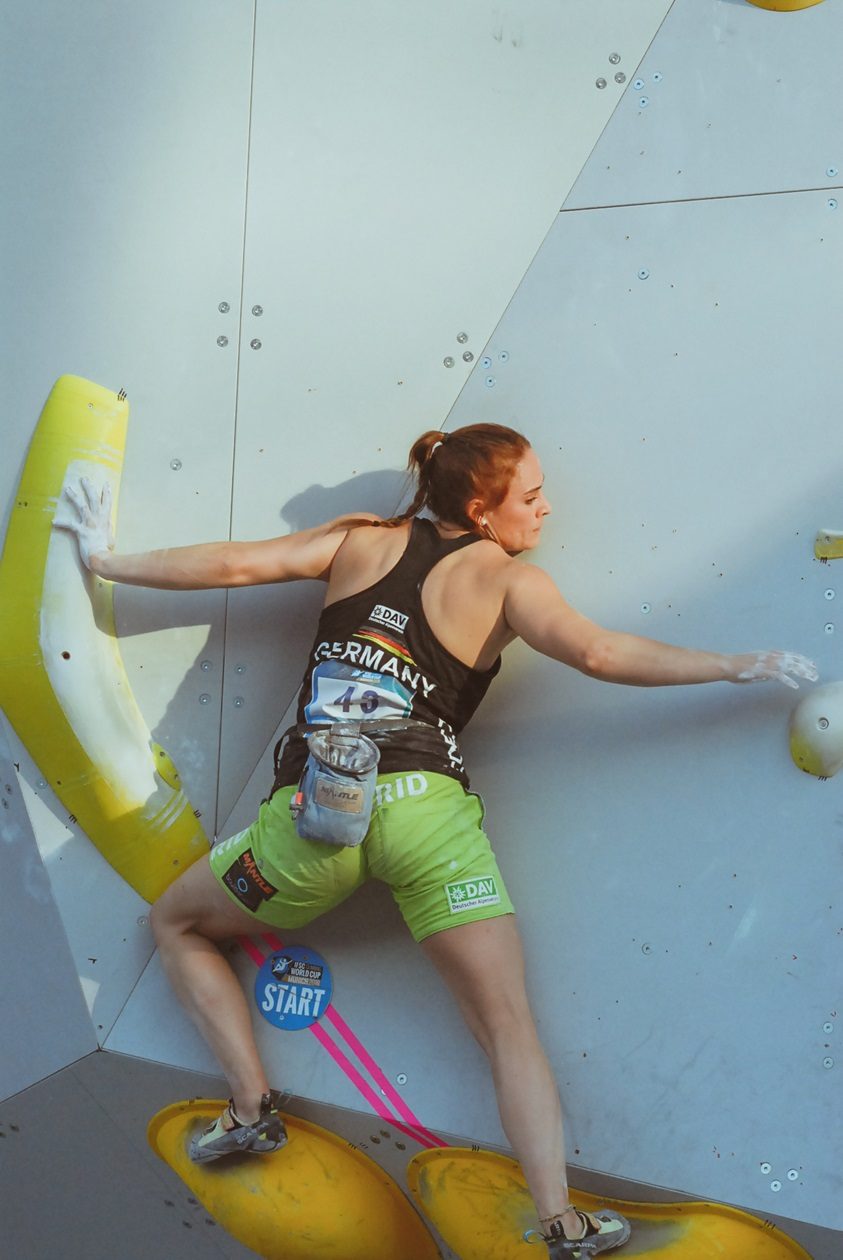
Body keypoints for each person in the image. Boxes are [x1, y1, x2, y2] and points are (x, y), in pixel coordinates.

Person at [60, 423, 817, 1257]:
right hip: (428, 814)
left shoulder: (358, 544)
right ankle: (561, 1223)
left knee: (177, 923)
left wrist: (104, 561)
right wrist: (734, 664)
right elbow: (598, 652)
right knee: (504, 1024)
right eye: (529, 497)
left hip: (318, 816)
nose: (545, 508)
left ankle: (250, 1109)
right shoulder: (505, 580)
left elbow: (235, 565)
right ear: (479, 510)